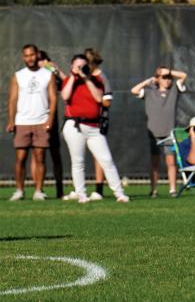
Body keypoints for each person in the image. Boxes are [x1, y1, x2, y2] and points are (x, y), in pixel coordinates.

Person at [60, 54, 129, 203]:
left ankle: (119, 193)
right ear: (71, 67)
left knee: (106, 160)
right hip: (74, 125)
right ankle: (81, 194)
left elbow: (99, 98)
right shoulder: (68, 80)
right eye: (77, 65)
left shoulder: (96, 81)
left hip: (94, 127)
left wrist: (86, 78)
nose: (80, 68)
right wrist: (73, 76)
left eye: (83, 65)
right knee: (78, 161)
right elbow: (65, 96)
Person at [6, 44, 57, 201]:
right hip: (22, 122)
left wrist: (49, 120)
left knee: (40, 157)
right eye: (26, 56)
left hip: (41, 121)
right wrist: (11, 120)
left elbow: (53, 98)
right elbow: (13, 99)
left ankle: (38, 191)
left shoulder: (48, 74)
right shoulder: (18, 75)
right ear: (23, 57)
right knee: (20, 158)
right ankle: (19, 191)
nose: (30, 58)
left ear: (37, 55)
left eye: (32, 55)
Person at [131, 65, 188, 197]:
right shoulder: (150, 91)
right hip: (154, 133)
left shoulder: (174, 89)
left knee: (171, 162)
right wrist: (147, 82)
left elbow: (183, 75)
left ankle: (172, 190)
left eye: (169, 78)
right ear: (157, 79)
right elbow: (134, 90)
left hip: (169, 134)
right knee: (154, 163)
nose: (167, 80)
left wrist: (168, 71)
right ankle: (153, 190)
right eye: (164, 78)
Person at [84, 48, 113, 201]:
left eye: (88, 62)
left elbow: (107, 102)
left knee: (99, 155)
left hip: (98, 121)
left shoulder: (102, 78)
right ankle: (79, 189)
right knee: (78, 155)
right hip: (81, 120)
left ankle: (99, 189)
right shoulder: (82, 77)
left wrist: (95, 97)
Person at [37, 51, 65, 198]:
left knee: (55, 154)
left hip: (51, 120)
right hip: (33, 119)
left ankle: (59, 190)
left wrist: (55, 69)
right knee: (37, 155)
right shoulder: (30, 76)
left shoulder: (52, 75)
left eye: (44, 60)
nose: (42, 63)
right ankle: (38, 190)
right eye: (40, 60)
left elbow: (66, 82)